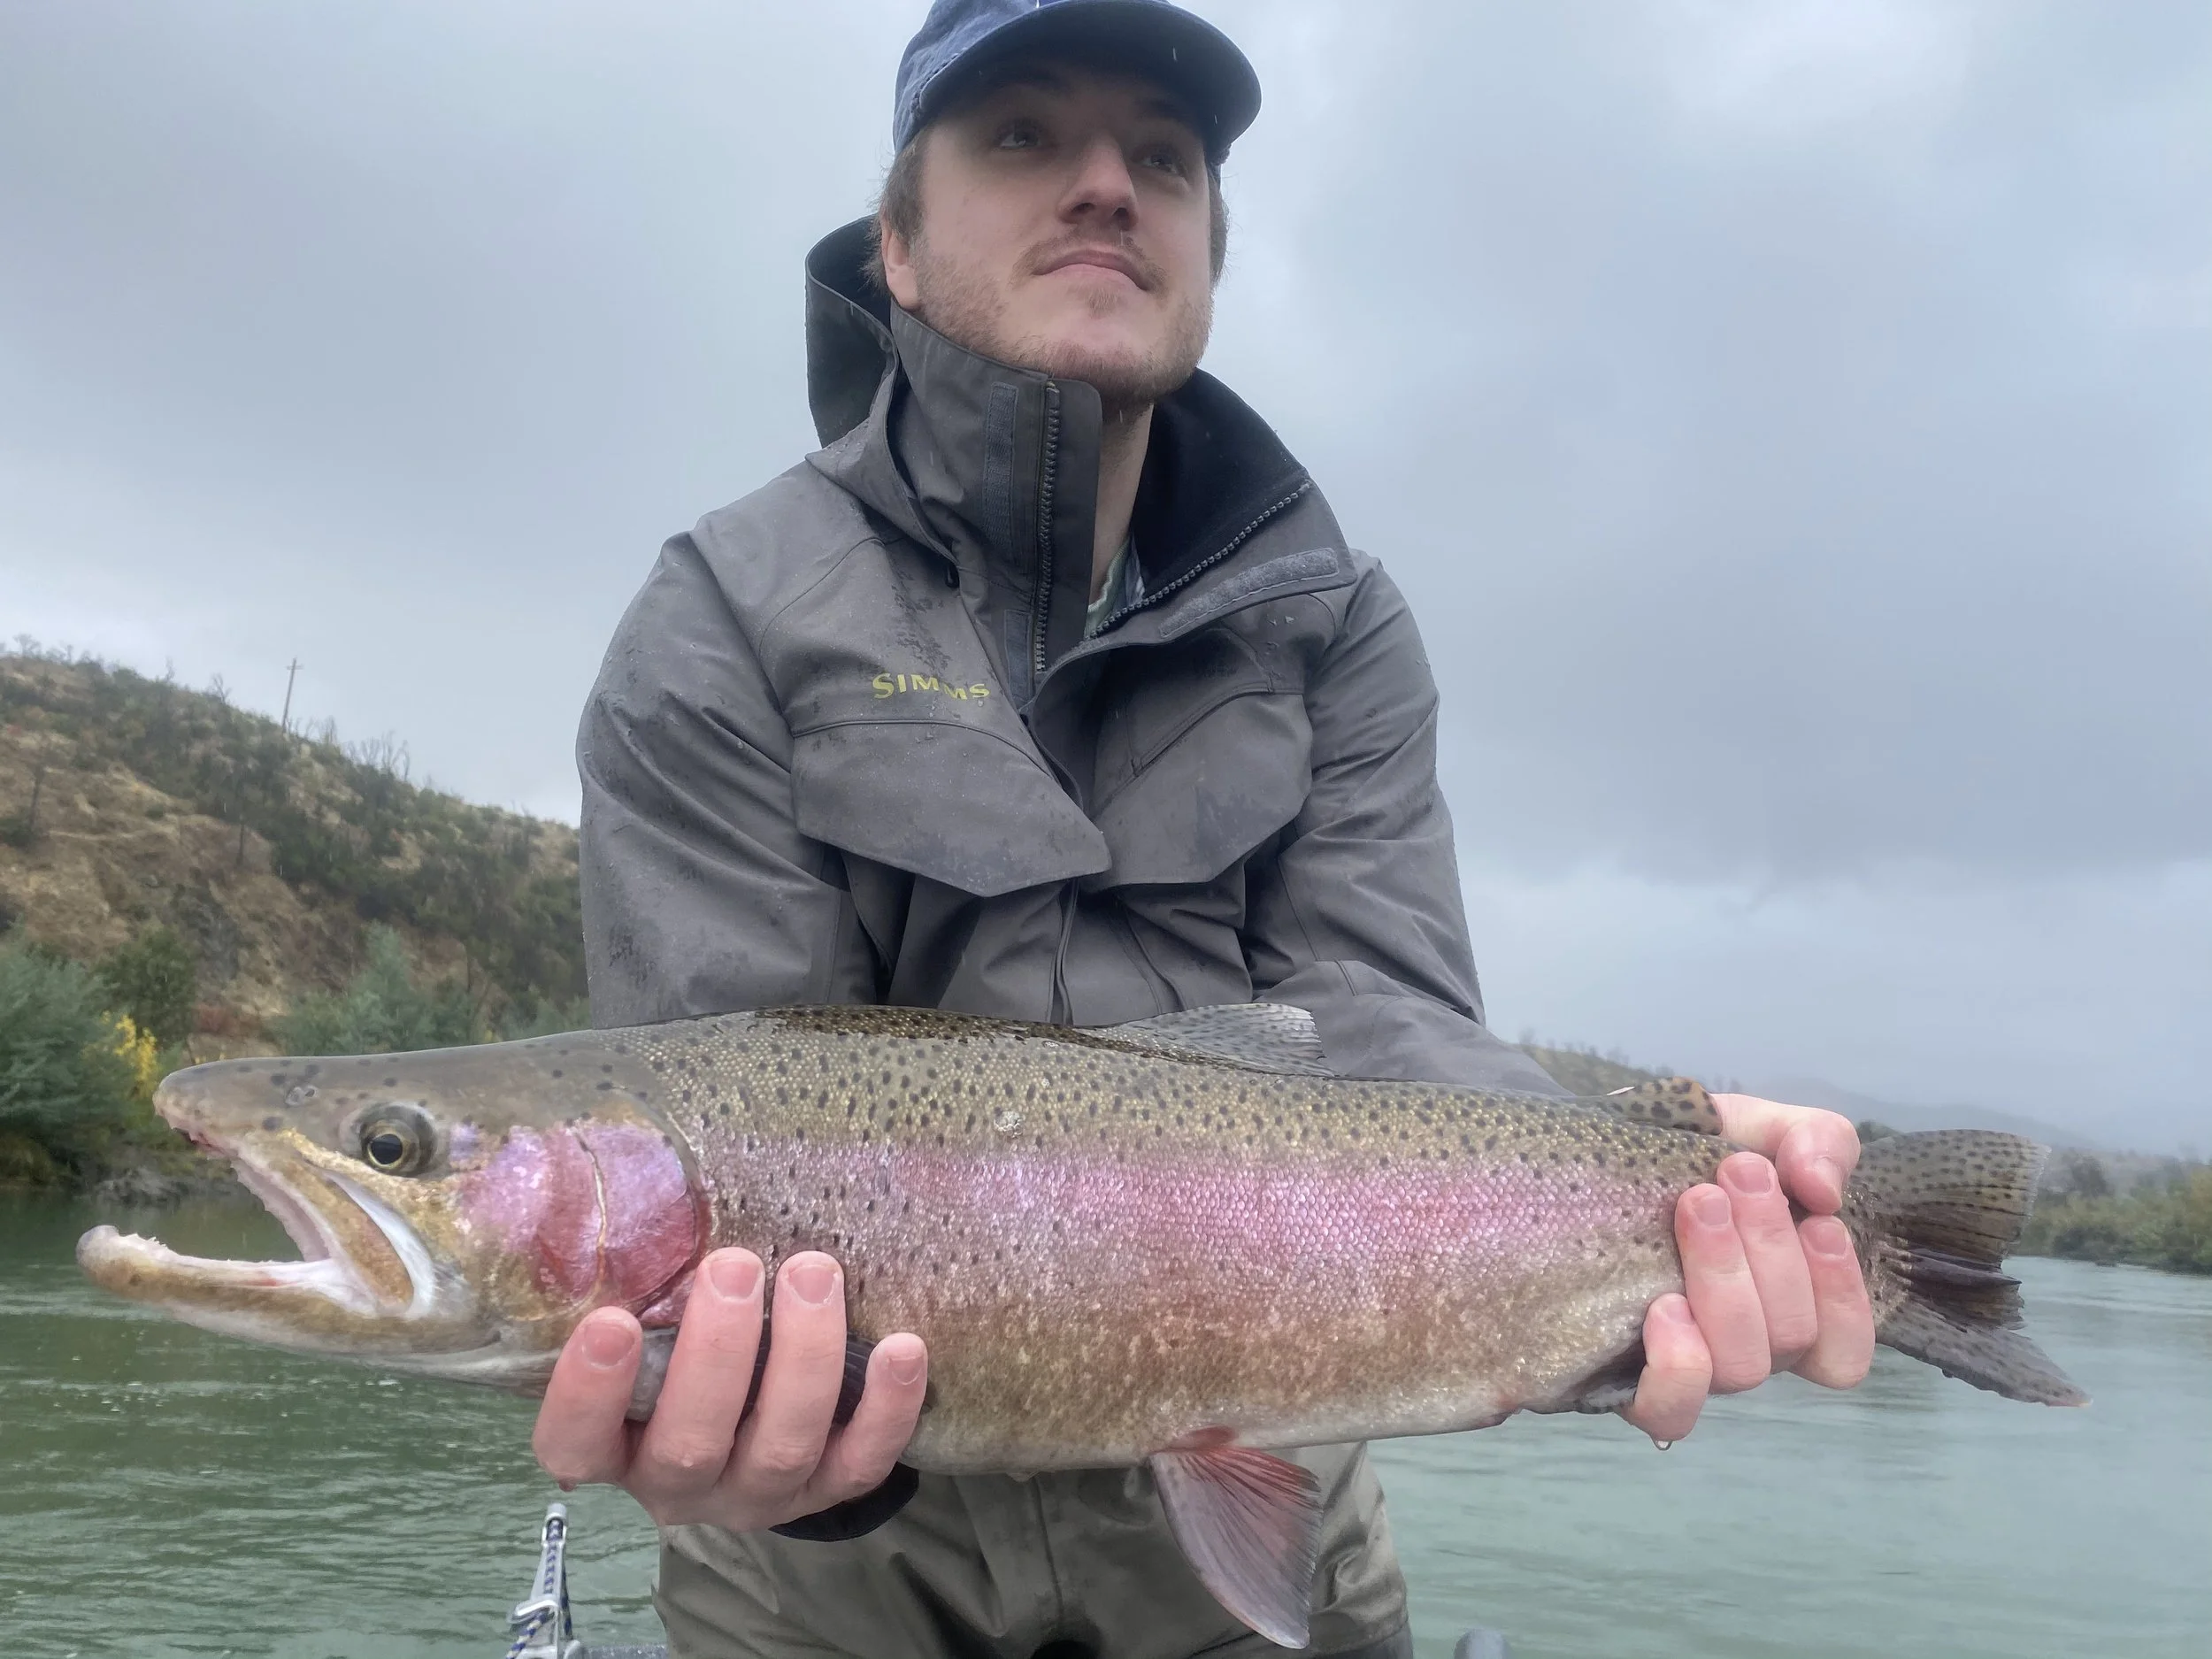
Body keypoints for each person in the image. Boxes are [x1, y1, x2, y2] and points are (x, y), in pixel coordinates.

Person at [531, 2, 1876, 1655]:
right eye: (1023, 134)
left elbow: (1387, 1035)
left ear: (1209, 253)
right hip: (827, 1577)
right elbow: (722, 1104)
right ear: (893, 240)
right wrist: (767, 1443)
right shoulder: (723, 611)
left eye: (1160, 158)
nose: (1105, 183)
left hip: (1263, 1532)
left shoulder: (1342, 627)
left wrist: (1635, 1154)